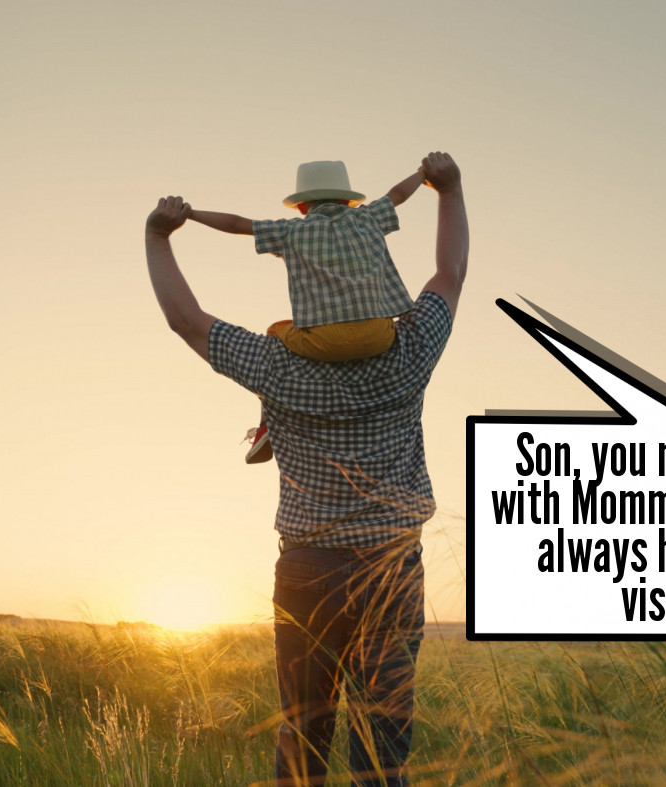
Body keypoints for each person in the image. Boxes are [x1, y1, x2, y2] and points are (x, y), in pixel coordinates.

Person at [144, 151, 467, 787]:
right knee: (382, 753)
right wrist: (448, 189)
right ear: (359, 228)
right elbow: (449, 274)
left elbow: (186, 320)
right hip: (392, 570)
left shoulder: (277, 366)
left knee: (303, 740)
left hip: (309, 571)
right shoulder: (411, 350)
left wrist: (158, 237)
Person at [186, 160, 428, 464]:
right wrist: (422, 174)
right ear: (347, 200)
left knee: (275, 332)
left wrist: (191, 214)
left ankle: (266, 426)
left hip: (323, 343)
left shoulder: (291, 232)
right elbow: (398, 193)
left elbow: (236, 223)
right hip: (380, 336)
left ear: (301, 206)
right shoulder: (369, 218)